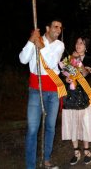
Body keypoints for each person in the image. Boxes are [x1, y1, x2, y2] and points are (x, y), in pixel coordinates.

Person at [19, 19, 65, 169]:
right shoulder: (36, 40)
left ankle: (46, 160)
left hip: (52, 91)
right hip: (35, 89)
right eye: (55, 26)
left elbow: (51, 63)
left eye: (60, 27)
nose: (58, 29)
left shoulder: (60, 45)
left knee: (50, 127)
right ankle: (30, 166)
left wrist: (40, 46)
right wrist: (31, 41)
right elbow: (23, 59)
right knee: (33, 128)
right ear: (47, 28)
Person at [61, 36, 91, 165]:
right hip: (70, 95)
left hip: (83, 96)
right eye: (77, 42)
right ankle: (76, 152)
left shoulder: (89, 59)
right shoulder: (67, 59)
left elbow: (85, 74)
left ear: (86, 47)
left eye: (82, 43)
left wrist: (77, 61)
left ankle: (87, 151)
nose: (78, 45)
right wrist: (66, 79)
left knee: (84, 124)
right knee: (72, 123)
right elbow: (64, 76)